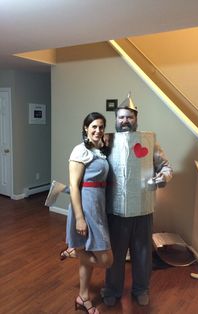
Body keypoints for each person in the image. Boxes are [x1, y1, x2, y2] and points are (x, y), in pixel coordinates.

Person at [100, 94, 173, 307]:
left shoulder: (149, 142)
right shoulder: (107, 140)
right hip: (116, 210)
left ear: (136, 119)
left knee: (142, 254)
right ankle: (112, 290)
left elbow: (166, 167)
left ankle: (141, 289)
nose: (125, 121)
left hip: (143, 209)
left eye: (129, 117)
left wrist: (163, 178)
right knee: (116, 254)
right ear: (115, 119)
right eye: (121, 117)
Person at [64, 112, 113, 314]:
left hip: (98, 205)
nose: (97, 130)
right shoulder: (80, 150)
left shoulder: (100, 149)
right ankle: (75, 252)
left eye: (101, 127)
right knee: (106, 260)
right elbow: (74, 186)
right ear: (85, 128)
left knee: (89, 254)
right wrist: (79, 218)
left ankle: (83, 297)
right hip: (85, 206)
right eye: (93, 126)